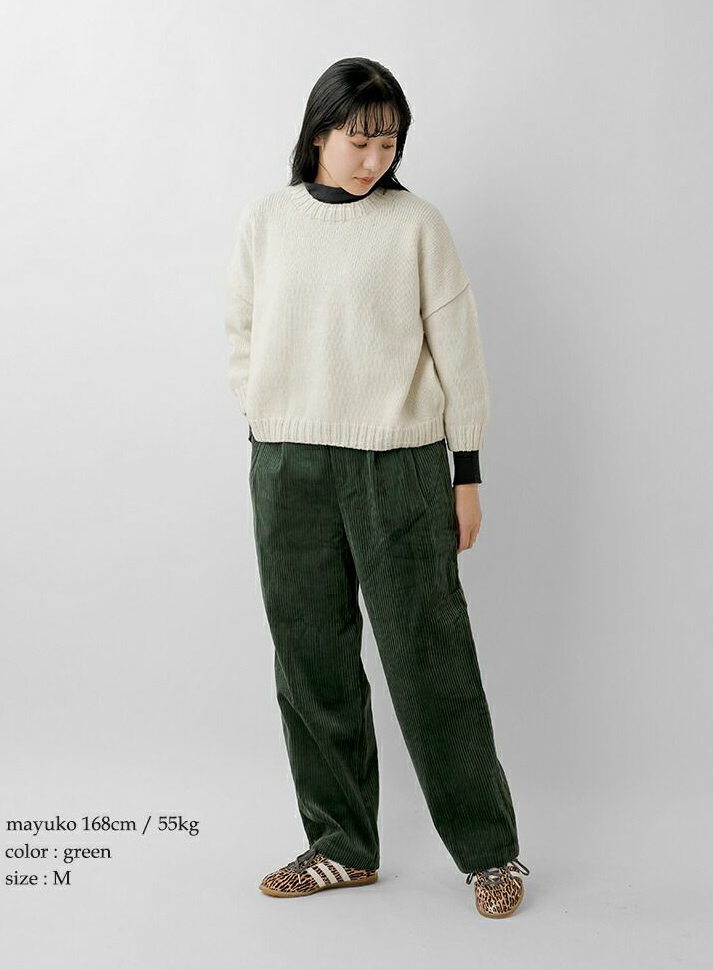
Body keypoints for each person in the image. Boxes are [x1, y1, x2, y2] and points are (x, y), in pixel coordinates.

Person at [224, 57, 530, 919]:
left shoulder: (416, 226)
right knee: (310, 659)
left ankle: (491, 853)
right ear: (318, 134)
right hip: (287, 465)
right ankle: (341, 846)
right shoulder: (266, 221)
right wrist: (265, 407)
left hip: (398, 465)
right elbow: (241, 329)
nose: (373, 159)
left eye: (387, 143)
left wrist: (466, 473)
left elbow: (459, 355)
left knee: (429, 656)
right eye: (358, 140)